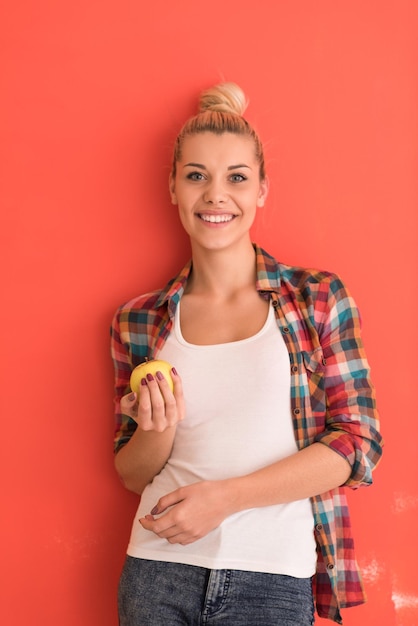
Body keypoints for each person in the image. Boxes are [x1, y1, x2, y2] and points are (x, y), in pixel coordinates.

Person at [110, 82, 383, 626]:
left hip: (272, 577)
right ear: (173, 188)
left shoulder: (317, 298)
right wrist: (157, 427)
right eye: (196, 176)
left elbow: (358, 444)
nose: (215, 195)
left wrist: (225, 499)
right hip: (156, 572)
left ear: (261, 190)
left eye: (236, 178)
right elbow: (132, 473)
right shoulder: (138, 319)